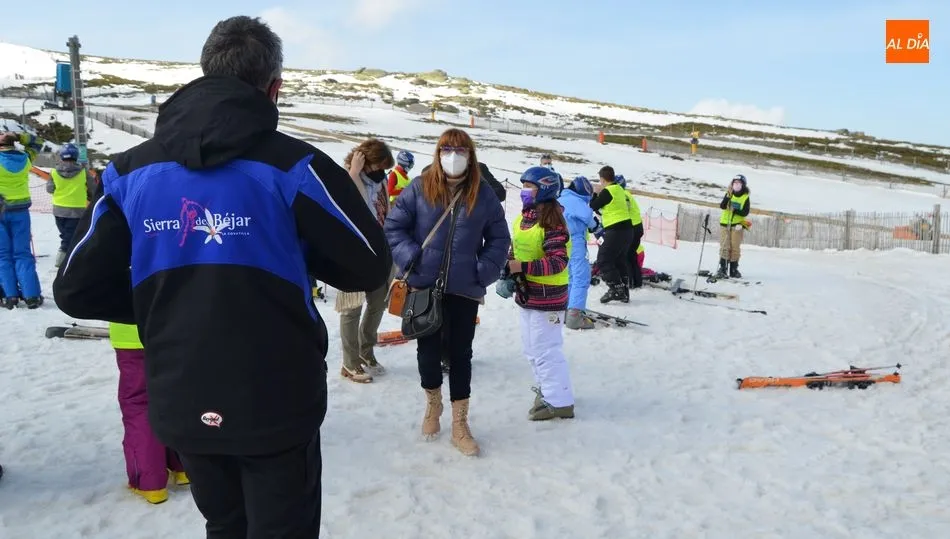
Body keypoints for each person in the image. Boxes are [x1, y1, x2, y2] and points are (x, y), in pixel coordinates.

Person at [52, 16, 391, 538]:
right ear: (274, 87)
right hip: (276, 396)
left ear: (206, 72)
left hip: (183, 392)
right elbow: (368, 263)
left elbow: (75, 287)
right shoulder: (296, 167)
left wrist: (166, 301)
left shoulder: (129, 171)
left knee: (224, 525)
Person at [385, 128, 509, 457]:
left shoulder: (483, 195)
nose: (453, 155)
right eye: (447, 149)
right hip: (424, 285)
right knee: (427, 352)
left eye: (461, 149)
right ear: (438, 153)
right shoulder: (419, 188)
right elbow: (393, 226)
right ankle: (433, 406)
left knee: (460, 355)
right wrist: (412, 256)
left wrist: (482, 271)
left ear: (471, 154)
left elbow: (499, 239)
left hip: (464, 290)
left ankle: (459, 423)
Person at [508, 166, 575, 420]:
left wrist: (522, 267)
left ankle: (560, 401)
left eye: (530, 186)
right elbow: (518, 249)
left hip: (549, 297)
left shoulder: (553, 221)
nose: (524, 191)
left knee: (547, 349)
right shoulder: (523, 218)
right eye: (524, 185)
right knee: (531, 348)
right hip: (528, 295)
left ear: (544, 189)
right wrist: (509, 267)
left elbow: (558, 261)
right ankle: (547, 389)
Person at [110, 321, 190, 504]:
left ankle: (149, 482)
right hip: (171, 326)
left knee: (138, 403)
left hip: (130, 335)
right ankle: (184, 466)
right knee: (171, 396)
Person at [337, 139, 396, 383]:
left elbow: (385, 213)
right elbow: (352, 208)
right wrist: (353, 174)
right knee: (352, 307)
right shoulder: (344, 177)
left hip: (379, 248)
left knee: (378, 301)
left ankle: (366, 351)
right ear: (365, 162)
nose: (382, 172)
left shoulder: (380, 181)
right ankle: (350, 363)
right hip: (352, 250)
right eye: (379, 166)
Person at [0, 131, 45, 309]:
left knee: (3, 255)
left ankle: (10, 296)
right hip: (20, 212)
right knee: (23, 253)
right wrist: (19, 136)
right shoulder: (25, 158)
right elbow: (38, 142)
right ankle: (32, 296)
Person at [558, 175, 598, 330]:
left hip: (560, 242)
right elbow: (587, 216)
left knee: (569, 276)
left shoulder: (561, 197)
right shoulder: (576, 200)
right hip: (574, 241)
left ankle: (565, 308)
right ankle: (575, 316)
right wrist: (595, 225)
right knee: (581, 277)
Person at [589, 166, 633, 304]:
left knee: (603, 259)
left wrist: (595, 193)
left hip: (616, 230)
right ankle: (624, 292)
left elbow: (593, 206)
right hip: (627, 229)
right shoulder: (619, 189)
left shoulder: (608, 191)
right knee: (619, 260)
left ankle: (616, 289)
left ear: (602, 179)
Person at [46, 143, 88, 267]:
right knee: (70, 237)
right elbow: (93, 188)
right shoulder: (83, 172)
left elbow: (49, 189)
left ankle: (70, 258)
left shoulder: (53, 172)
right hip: (77, 210)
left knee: (66, 235)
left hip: (58, 210)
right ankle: (63, 260)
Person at [716, 174, 751, 278]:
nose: (736, 185)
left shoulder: (745, 197)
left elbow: (745, 212)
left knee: (735, 247)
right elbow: (722, 206)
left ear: (743, 185)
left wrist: (735, 210)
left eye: (739, 183)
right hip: (725, 223)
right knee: (724, 246)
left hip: (737, 225)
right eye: (735, 183)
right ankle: (723, 268)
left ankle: (733, 269)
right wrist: (728, 196)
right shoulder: (729, 194)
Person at [615, 174, 644, 290]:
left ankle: (630, 281)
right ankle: (637, 281)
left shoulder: (623, 195)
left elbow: (624, 211)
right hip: (636, 227)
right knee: (631, 255)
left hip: (632, 228)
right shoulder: (626, 194)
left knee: (626, 255)